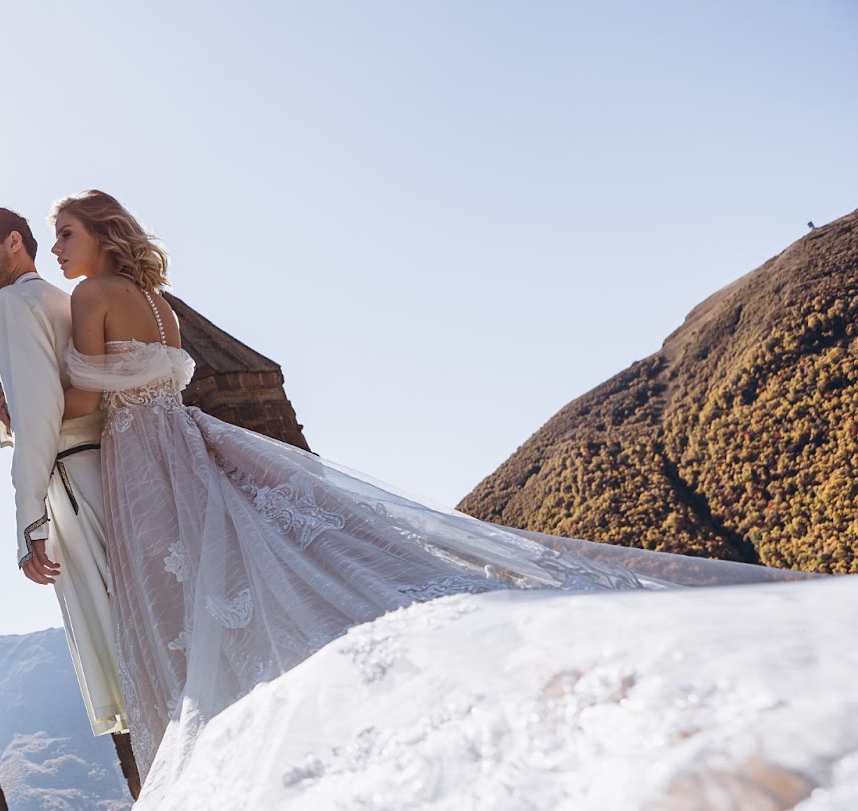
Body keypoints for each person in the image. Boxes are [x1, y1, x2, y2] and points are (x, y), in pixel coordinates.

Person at [50, 190, 805, 780]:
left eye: (66, 235)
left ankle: (224, 729)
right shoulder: (158, 303)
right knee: (236, 568)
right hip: (182, 437)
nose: (58, 250)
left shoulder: (91, 298)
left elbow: (84, 398)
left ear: (101, 235)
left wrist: (21, 408)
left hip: (142, 457)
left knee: (174, 592)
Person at [0, 207, 131, 751]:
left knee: (120, 643)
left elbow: (38, 417)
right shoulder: (61, 299)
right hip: (113, 469)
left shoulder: (10, 303)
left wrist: (29, 522)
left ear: (14, 242)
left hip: (74, 484)